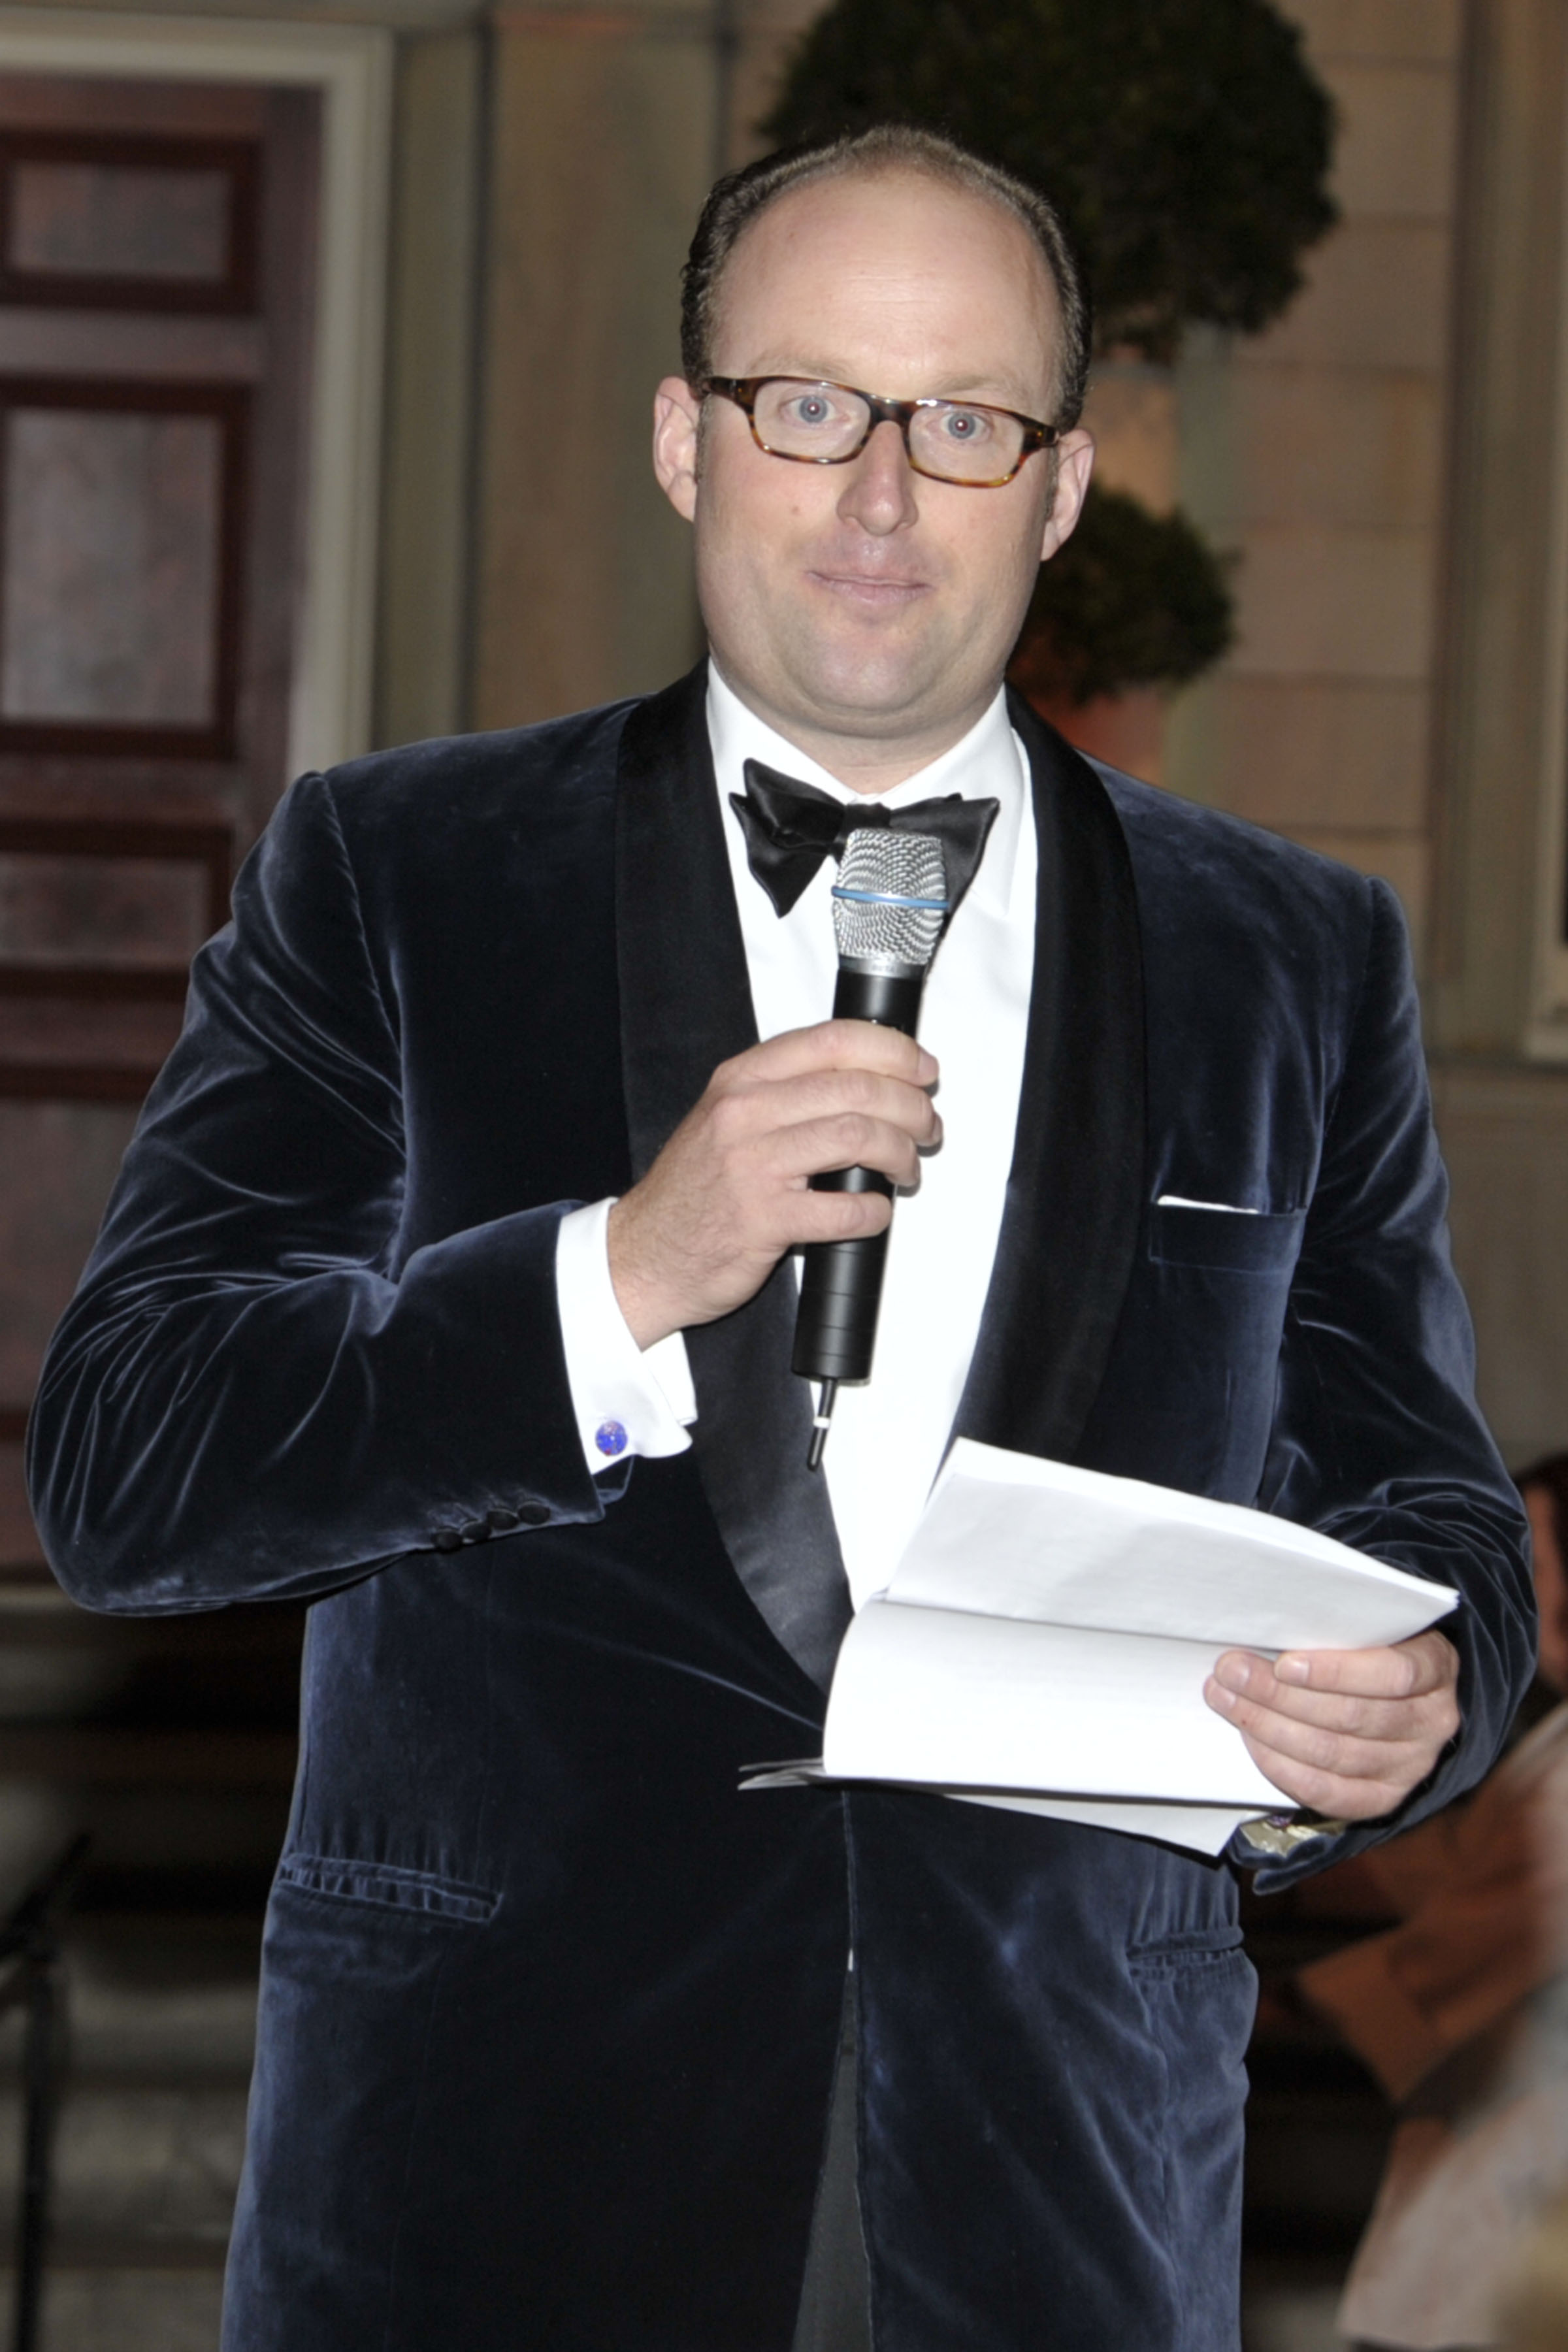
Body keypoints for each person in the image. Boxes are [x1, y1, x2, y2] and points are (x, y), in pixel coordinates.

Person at [26, 128, 1533, 2352]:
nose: (881, 498)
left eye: (962, 422)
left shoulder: (1290, 955)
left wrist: (1423, 1696)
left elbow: (1437, 1510)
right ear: (680, 440)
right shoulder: (400, 877)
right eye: (809, 405)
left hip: (1059, 2196)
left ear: (1064, 484)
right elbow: (134, 1468)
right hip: (496, 2186)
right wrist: (613, 1276)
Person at [1296, 1455, 1568, 2351]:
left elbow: (1461, 1951)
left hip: (1530, 2173)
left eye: (1534, 1563)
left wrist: (1285, 2000)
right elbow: (1433, 1869)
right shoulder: (1545, 1743)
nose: (1514, 1596)